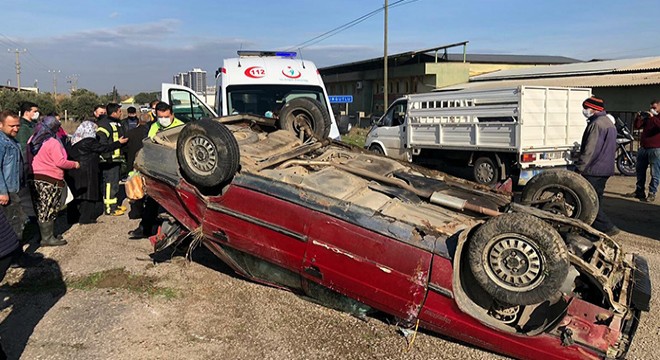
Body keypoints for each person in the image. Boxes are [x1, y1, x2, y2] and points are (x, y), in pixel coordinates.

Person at [128, 102, 183, 239]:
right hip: (157, 169)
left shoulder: (181, 126)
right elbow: (149, 145)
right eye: (160, 116)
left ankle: (180, 235)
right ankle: (145, 228)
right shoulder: (154, 126)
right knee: (152, 200)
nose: (163, 119)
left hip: (175, 171)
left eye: (166, 116)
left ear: (172, 114)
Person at [28, 116, 80, 246]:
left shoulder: (32, 139)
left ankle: (43, 235)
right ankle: (47, 238)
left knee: (40, 208)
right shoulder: (53, 142)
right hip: (50, 179)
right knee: (49, 209)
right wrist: (74, 164)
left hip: (34, 177)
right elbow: (60, 162)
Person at [0, 110, 42, 265]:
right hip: (7, 191)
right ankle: (14, 258)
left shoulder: (12, 141)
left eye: (17, 126)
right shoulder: (1, 142)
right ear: (0, 124)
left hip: (15, 189)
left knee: (16, 224)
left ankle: (16, 256)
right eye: (11, 126)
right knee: (12, 226)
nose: (16, 129)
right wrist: (2, 192)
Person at [574, 97, 619, 236]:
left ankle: (607, 227)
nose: (584, 111)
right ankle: (593, 230)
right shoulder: (609, 123)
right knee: (597, 200)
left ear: (593, 109)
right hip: (605, 168)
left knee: (590, 202)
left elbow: (590, 150)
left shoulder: (596, 124)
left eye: (586, 108)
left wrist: (579, 168)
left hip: (594, 169)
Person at [67, 121, 128, 224]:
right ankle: (85, 218)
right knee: (89, 194)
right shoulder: (89, 141)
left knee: (76, 195)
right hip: (87, 170)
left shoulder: (73, 140)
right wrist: (118, 143)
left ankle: (73, 218)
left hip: (75, 171)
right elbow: (104, 148)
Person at [625, 100, 660, 202]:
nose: (652, 110)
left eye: (654, 108)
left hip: (656, 148)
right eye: (651, 108)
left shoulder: (655, 118)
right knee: (640, 170)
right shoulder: (648, 118)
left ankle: (652, 193)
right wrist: (639, 117)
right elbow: (637, 126)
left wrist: (653, 117)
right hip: (644, 147)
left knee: (655, 172)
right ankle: (639, 191)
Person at [97, 103, 127, 216]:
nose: (121, 113)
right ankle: (110, 208)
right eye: (119, 111)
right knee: (109, 183)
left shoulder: (118, 123)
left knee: (115, 183)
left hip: (117, 158)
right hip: (109, 159)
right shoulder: (104, 124)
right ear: (114, 112)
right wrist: (108, 156)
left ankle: (114, 204)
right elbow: (102, 142)